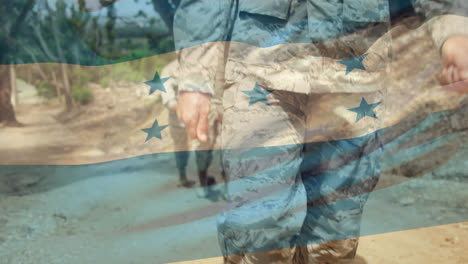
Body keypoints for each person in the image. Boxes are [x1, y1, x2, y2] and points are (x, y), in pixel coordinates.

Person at [172, 0, 468, 262]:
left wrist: (454, 30)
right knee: (262, 227)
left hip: (355, 75)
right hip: (262, 71)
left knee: (334, 237)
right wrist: (196, 77)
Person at [161, 60, 225, 197]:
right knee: (181, 146)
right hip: (177, 117)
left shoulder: (201, 64)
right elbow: (167, 97)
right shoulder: (169, 70)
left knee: (203, 146)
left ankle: (203, 180)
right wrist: (183, 108)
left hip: (202, 115)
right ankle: (183, 177)